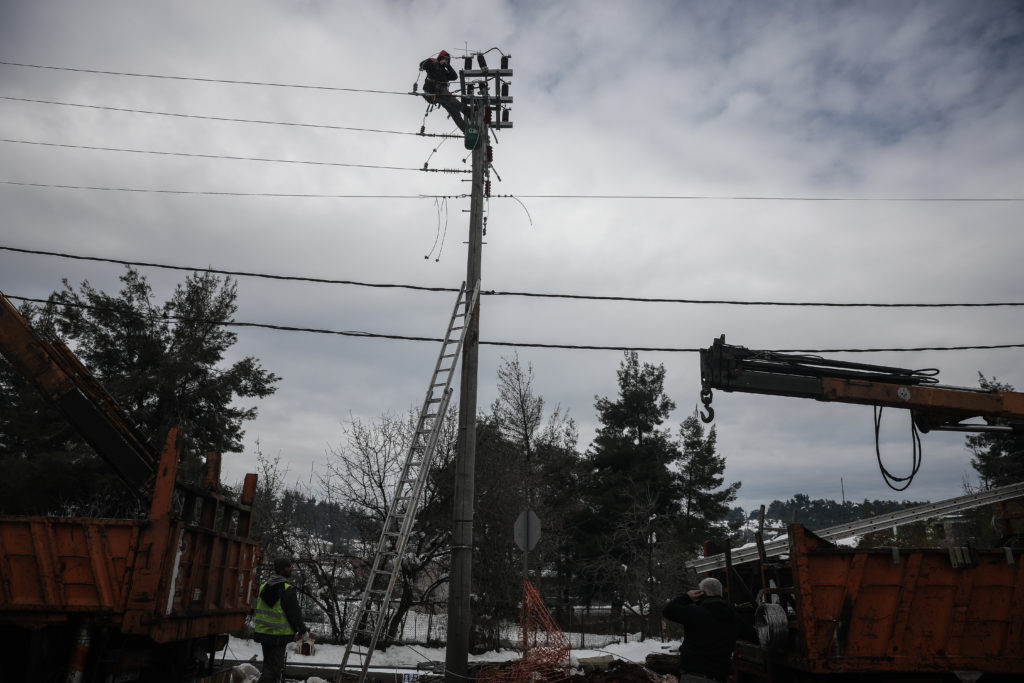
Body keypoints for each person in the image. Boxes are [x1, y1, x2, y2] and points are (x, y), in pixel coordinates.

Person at [662, 577, 746, 683]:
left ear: (701, 594)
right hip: (718, 678)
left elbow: (668, 610)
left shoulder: (694, 612)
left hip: (693, 677)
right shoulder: (734, 618)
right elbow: (754, 635)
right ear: (721, 594)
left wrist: (687, 597)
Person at [253, 557, 309, 683]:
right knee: (273, 671)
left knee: (268, 666)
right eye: (289, 567)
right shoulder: (287, 589)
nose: (291, 569)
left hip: (264, 633)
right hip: (278, 635)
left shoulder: (263, 587)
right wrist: (302, 630)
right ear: (283, 570)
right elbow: (294, 614)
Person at [419, 49, 469, 131]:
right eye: (444, 58)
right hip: (435, 90)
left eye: (447, 59)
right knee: (452, 100)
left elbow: (454, 76)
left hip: (441, 94)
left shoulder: (445, 72)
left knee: (454, 111)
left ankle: (465, 130)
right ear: (440, 58)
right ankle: (468, 111)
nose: (445, 60)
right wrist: (431, 60)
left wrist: (448, 66)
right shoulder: (433, 64)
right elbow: (422, 65)